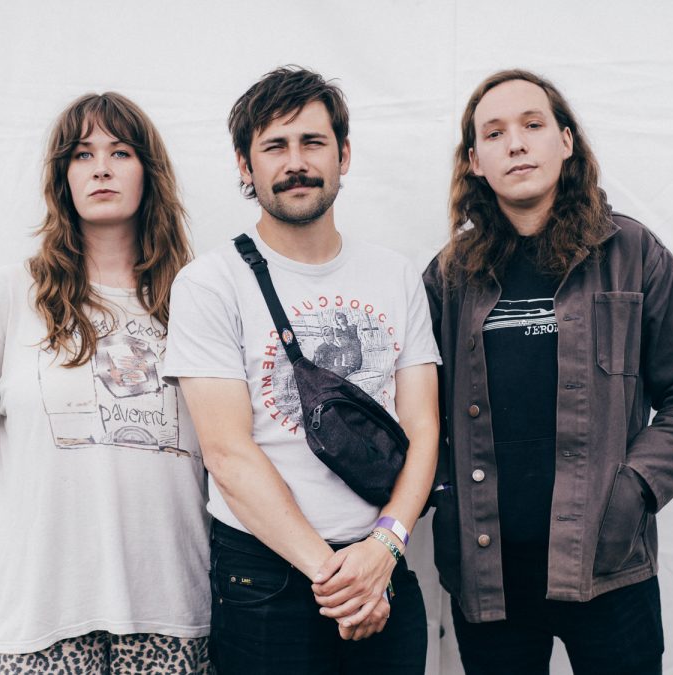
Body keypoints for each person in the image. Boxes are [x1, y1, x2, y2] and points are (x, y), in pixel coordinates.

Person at [424, 69, 673, 675]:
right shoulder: (447, 278)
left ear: (566, 142)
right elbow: (416, 411)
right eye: (495, 132)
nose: (516, 143)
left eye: (533, 125)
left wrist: (635, 487)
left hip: (608, 564)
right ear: (475, 161)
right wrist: (443, 494)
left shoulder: (635, 255)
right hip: (490, 578)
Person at [162, 66, 440, 674]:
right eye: (274, 146)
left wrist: (385, 548)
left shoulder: (395, 275)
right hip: (265, 579)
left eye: (312, 143)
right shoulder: (210, 284)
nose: (296, 162)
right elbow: (228, 455)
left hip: (383, 566)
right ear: (245, 165)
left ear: (343, 155)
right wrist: (336, 580)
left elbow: (424, 428)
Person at [0, 92, 211, 674]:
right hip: (43, 612)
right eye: (82, 155)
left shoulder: (197, 300)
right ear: (63, 177)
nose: (102, 167)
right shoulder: (12, 294)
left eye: (121, 151)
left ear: (148, 173)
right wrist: (30, 522)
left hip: (169, 607)